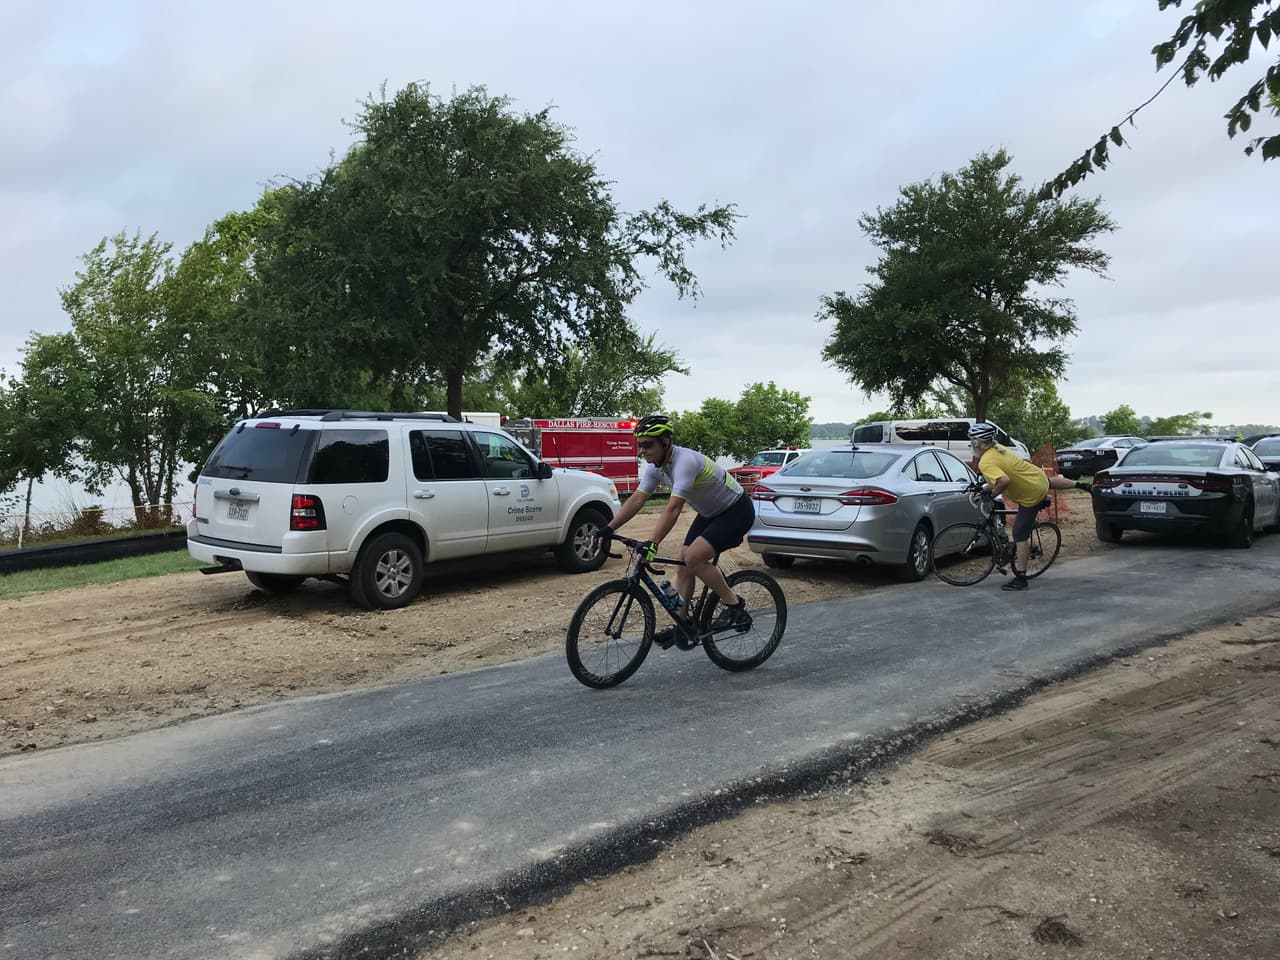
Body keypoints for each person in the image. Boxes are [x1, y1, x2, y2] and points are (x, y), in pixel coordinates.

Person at [599, 414, 756, 646]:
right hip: (710, 513)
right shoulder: (656, 467)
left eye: (647, 445)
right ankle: (683, 625)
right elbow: (637, 500)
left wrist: (653, 543)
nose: (642, 451)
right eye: (639, 446)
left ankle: (734, 606)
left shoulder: (685, 462)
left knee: (693, 558)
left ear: (665, 442)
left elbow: (673, 509)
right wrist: (608, 528)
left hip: (736, 511)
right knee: (684, 564)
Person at [967, 421, 1090, 591]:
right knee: (1048, 482)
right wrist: (984, 489)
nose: (970, 445)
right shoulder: (998, 449)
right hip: (1036, 479)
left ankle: (1021, 579)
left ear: (977, 443)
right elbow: (1000, 478)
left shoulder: (986, 462)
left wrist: (991, 495)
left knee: (1019, 534)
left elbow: (1004, 481)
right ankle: (1082, 485)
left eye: (971, 441)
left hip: (1030, 494)